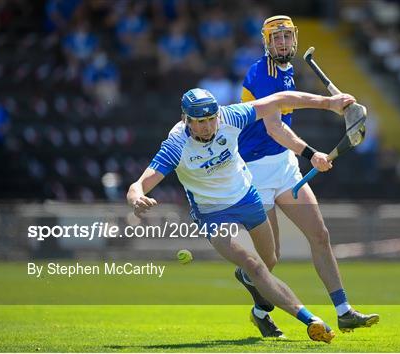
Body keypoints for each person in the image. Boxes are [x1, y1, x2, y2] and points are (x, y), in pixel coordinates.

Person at [127, 88, 356, 343]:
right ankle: (310, 320)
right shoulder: (176, 145)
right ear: (186, 120)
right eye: (200, 122)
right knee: (255, 265)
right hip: (213, 215)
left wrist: (328, 103)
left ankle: (252, 288)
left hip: (248, 199)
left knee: (270, 260)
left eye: (211, 119)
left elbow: (279, 100)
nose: (207, 126)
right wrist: (137, 198)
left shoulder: (230, 117)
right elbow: (138, 185)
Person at [238, 15, 379, 337]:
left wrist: (335, 107)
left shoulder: (289, 71)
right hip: (255, 170)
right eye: (277, 38)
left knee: (320, 235)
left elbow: (289, 116)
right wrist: (311, 152)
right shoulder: (263, 74)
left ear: (295, 40)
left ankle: (344, 312)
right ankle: (258, 298)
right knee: (269, 259)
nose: (283, 43)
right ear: (266, 42)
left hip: (283, 165)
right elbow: (274, 127)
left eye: (287, 37)